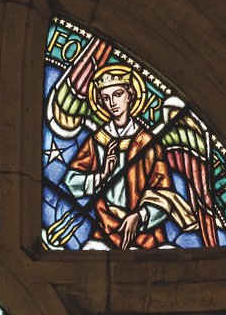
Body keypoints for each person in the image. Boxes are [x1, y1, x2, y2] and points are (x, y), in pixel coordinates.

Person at [50, 63, 194, 249]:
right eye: (106, 97)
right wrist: (101, 175)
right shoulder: (97, 141)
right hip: (105, 229)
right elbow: (71, 181)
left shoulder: (147, 143)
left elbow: (164, 194)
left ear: (130, 96)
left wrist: (140, 215)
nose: (112, 102)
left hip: (145, 234)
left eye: (118, 95)